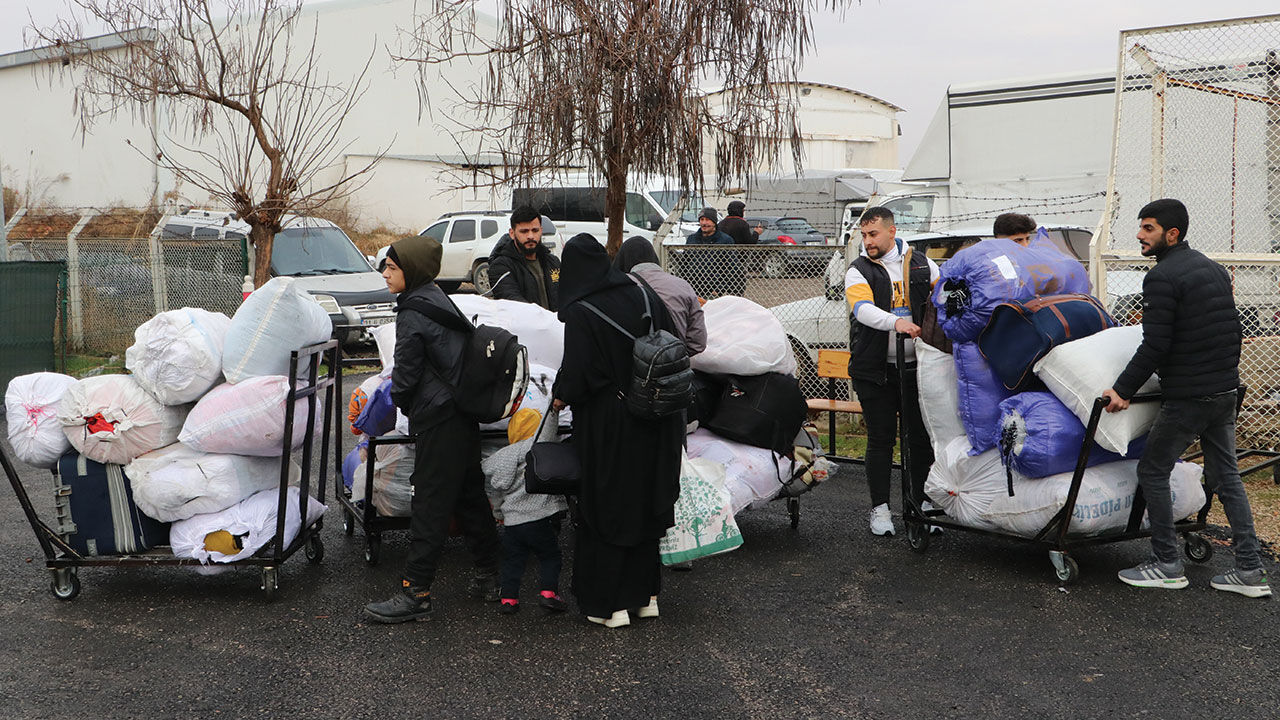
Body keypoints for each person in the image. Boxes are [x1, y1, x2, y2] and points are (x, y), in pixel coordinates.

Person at [1103, 198, 1270, 597]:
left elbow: (1155, 343)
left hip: (1190, 395)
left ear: (1171, 234)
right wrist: (1225, 380)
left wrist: (1122, 390)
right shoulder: (1210, 268)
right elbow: (1232, 330)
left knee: (1153, 470)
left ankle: (1166, 564)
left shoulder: (1162, 278)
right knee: (1227, 477)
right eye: (1141, 227)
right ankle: (1249, 570)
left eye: (1148, 228)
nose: (1140, 235)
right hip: (1223, 389)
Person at [364, 234, 502, 623]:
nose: (385, 275)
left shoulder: (412, 312)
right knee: (469, 494)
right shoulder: (438, 300)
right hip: (460, 414)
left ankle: (416, 592)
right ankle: (490, 576)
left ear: (412, 270)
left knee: (429, 503)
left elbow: (405, 378)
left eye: (391, 268)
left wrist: (407, 404)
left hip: (439, 419)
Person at [553, 233, 684, 628]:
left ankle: (609, 606)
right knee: (644, 504)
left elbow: (578, 376)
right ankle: (646, 597)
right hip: (658, 418)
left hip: (612, 424)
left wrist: (560, 396)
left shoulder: (581, 310)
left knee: (607, 508)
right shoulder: (643, 293)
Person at [844, 206, 940, 537]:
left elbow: (941, 300)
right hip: (875, 369)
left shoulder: (923, 264)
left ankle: (920, 502)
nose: (867, 241)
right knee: (881, 439)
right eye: (864, 235)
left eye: (873, 234)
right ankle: (880, 509)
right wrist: (896, 321)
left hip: (917, 367)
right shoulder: (858, 270)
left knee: (920, 438)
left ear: (892, 231)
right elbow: (863, 310)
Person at [482, 407, 570, 615]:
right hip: (538, 519)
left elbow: (495, 494)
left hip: (512, 524)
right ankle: (549, 594)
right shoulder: (535, 449)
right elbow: (547, 429)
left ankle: (509, 599)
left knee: (513, 561)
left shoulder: (500, 458)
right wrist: (553, 408)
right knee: (550, 556)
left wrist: (500, 516)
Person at [614, 235, 707, 356]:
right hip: (674, 364)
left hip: (632, 366)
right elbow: (698, 342)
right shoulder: (683, 286)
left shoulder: (620, 288)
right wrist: (674, 356)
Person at [488, 206, 560, 310]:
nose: (530, 236)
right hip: (523, 325)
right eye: (524, 231)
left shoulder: (553, 262)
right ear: (512, 234)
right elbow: (513, 302)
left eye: (535, 230)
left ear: (541, 231)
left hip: (555, 325)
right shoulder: (501, 267)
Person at [685, 207, 742, 297]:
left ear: (714, 222)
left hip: (713, 290)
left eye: (707, 220)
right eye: (702, 219)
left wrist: (721, 288)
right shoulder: (692, 239)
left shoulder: (725, 240)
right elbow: (684, 264)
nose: (704, 223)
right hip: (693, 289)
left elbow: (732, 267)